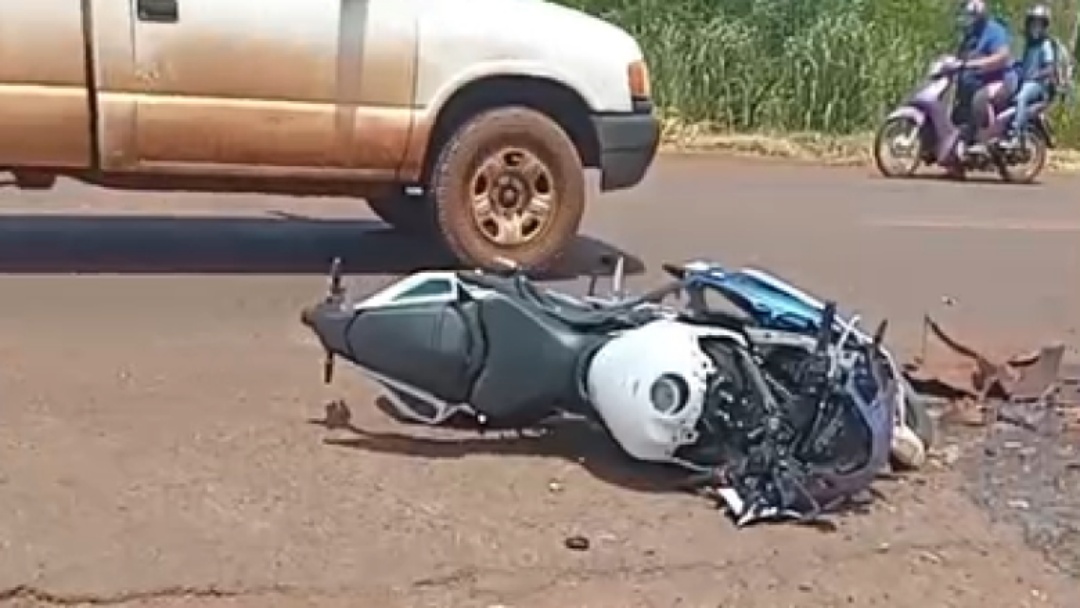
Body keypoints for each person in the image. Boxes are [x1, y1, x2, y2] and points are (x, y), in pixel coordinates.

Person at [952, 0, 1015, 153]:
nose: (970, 19)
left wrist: (978, 63)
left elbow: (1002, 56)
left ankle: (983, 138)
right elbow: (961, 56)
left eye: (974, 16)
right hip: (976, 81)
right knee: (959, 110)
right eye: (969, 16)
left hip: (1000, 79)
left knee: (979, 99)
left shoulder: (995, 31)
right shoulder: (970, 34)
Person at [1005, 4, 1057, 146]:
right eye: (1033, 23)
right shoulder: (1029, 45)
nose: (1035, 27)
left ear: (1044, 26)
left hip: (1039, 86)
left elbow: (1050, 68)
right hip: (1025, 82)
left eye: (1039, 23)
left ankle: (1017, 135)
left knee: (1021, 98)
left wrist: (1035, 75)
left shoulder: (1045, 45)